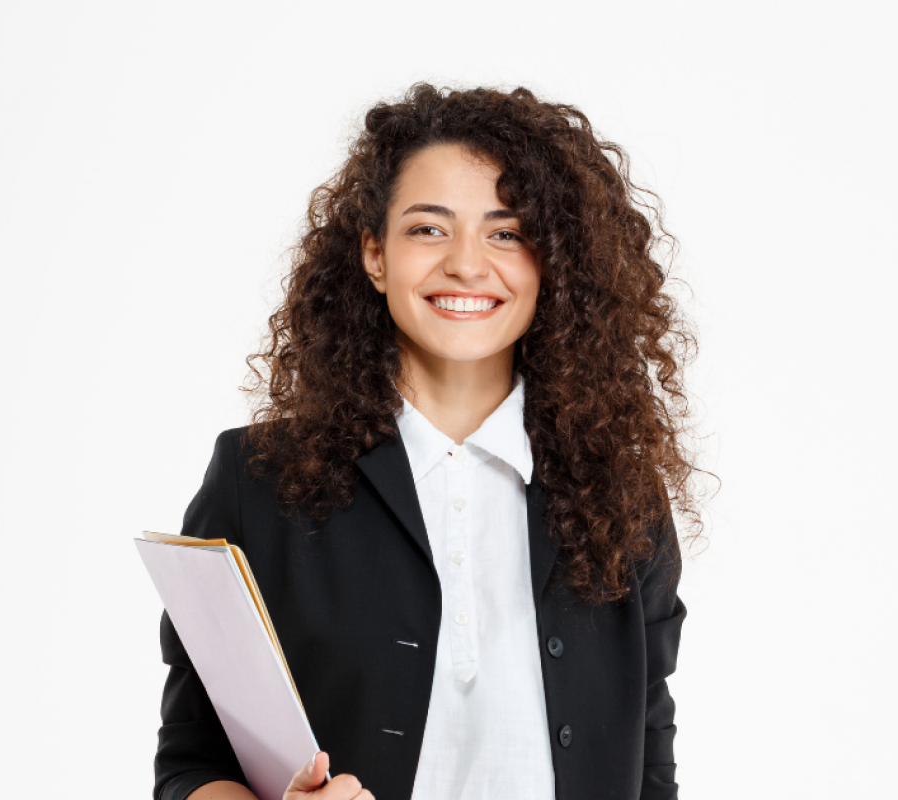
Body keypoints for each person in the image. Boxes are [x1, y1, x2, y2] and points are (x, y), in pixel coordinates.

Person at [153, 82, 703, 800]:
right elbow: (191, 764)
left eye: (507, 232)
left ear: (554, 263)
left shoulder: (620, 498)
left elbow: (649, 767)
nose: (468, 265)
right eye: (428, 229)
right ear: (375, 256)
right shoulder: (256, 480)